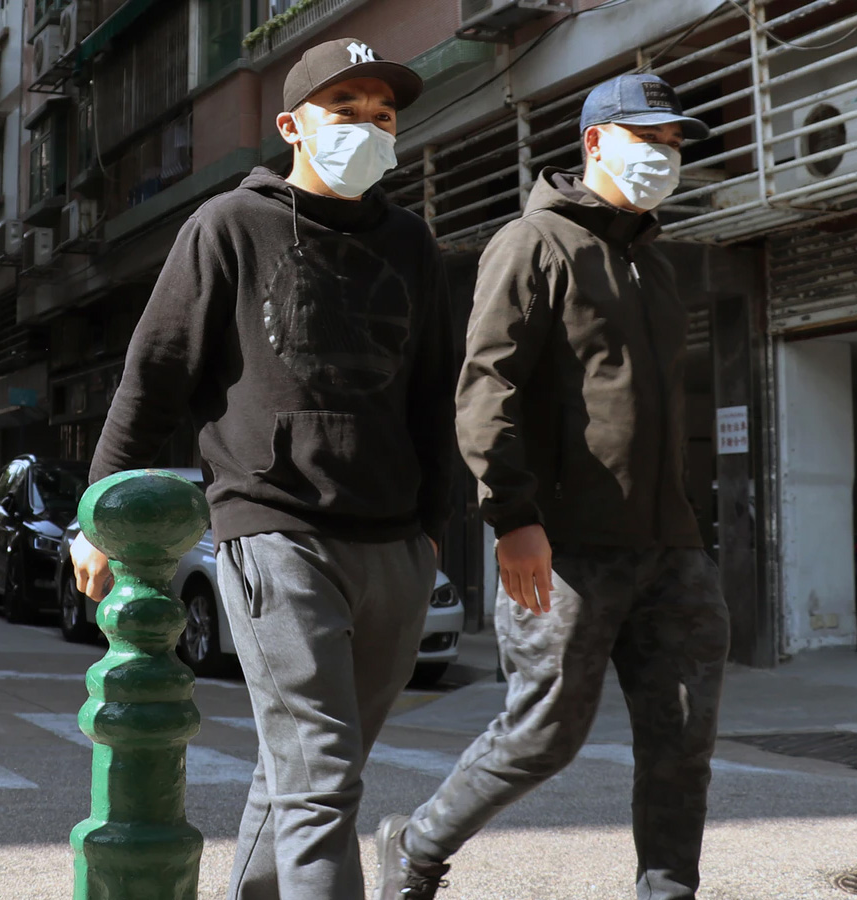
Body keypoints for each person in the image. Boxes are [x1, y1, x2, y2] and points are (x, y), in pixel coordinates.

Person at [71, 37, 455, 900]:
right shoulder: (228, 226)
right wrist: (98, 511)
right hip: (275, 530)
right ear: (291, 127)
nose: (367, 128)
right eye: (344, 111)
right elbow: (155, 373)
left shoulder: (412, 242)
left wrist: (432, 530)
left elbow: (435, 394)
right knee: (322, 777)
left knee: (302, 772)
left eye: (383, 115)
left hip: (394, 543)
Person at [374, 73, 730, 900]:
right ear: (596, 142)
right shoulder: (533, 242)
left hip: (671, 547)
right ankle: (417, 845)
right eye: (649, 139)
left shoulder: (655, 262)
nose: (665, 156)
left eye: (674, 143)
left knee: (683, 742)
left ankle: (668, 891)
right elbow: (486, 387)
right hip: (566, 546)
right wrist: (512, 516)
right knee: (544, 735)